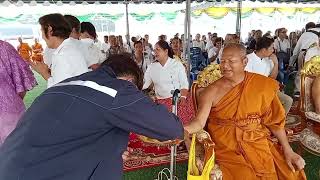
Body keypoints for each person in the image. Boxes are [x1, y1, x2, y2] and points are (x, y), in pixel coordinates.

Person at [0, 54, 184, 180]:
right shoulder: (116, 88)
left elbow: (73, 134)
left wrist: (111, 149)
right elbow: (172, 128)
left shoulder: (64, 85)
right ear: (128, 81)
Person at [184, 43, 306, 180]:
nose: (225, 65)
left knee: (288, 172)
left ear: (245, 62)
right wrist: (183, 129)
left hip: (256, 141)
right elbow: (199, 122)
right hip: (227, 145)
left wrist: (288, 150)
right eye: (223, 61)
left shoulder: (260, 85)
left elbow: (275, 124)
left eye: (231, 61)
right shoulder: (211, 91)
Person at [30, 13, 88, 88]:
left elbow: (60, 90)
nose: (42, 37)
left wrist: (44, 73)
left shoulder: (62, 55)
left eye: (42, 31)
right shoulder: (69, 48)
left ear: (50, 30)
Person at [143, 40, 193, 124]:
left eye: (158, 50)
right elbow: (145, 85)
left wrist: (183, 97)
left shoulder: (177, 64)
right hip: (161, 103)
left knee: (182, 128)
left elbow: (184, 83)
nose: (155, 52)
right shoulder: (151, 67)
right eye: (154, 50)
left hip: (179, 100)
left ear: (166, 51)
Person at [0, 40, 37, 145]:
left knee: (15, 149)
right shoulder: (5, 47)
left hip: (9, 117)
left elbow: (22, 79)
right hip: (10, 113)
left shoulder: (4, 48)